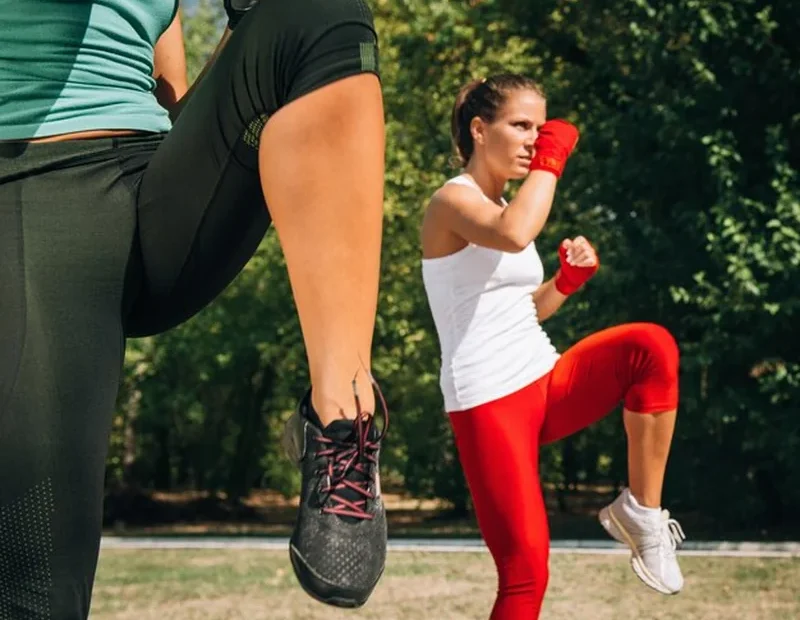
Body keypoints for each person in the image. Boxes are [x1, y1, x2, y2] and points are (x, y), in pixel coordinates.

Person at [0, 1, 388, 617]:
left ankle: (342, 421)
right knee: (34, 585)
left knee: (316, 11)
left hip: (152, 191)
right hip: (32, 182)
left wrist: (246, 22)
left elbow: (173, 98)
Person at [420, 73, 686, 619]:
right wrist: (554, 157)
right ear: (479, 130)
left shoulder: (504, 204)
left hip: (543, 376)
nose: (535, 141)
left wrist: (564, 282)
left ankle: (642, 512)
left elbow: (521, 310)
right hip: (488, 400)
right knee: (525, 574)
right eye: (521, 126)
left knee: (651, 347)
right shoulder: (452, 201)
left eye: (541, 130)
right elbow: (514, 232)